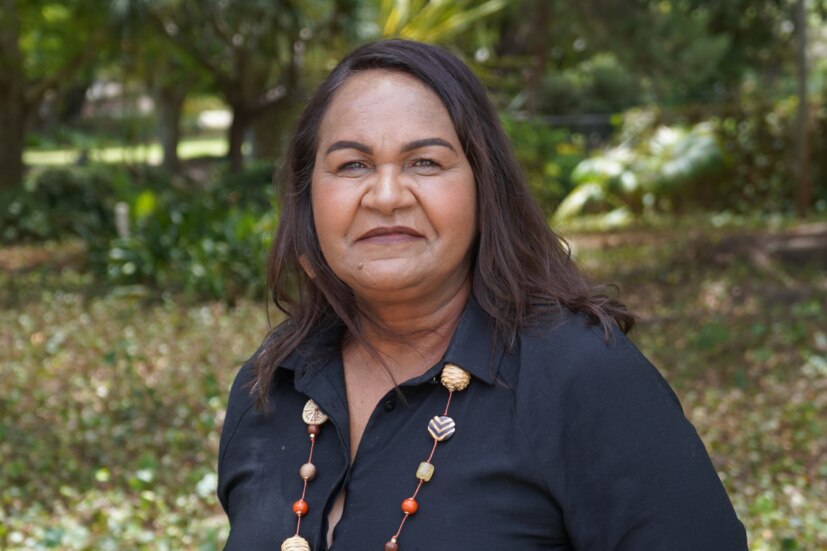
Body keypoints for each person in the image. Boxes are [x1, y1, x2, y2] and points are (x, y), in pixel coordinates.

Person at [217, 39, 748, 551]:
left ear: (483, 186)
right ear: (309, 196)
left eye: (425, 162)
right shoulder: (271, 385)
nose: (385, 195)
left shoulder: (585, 380)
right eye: (352, 164)